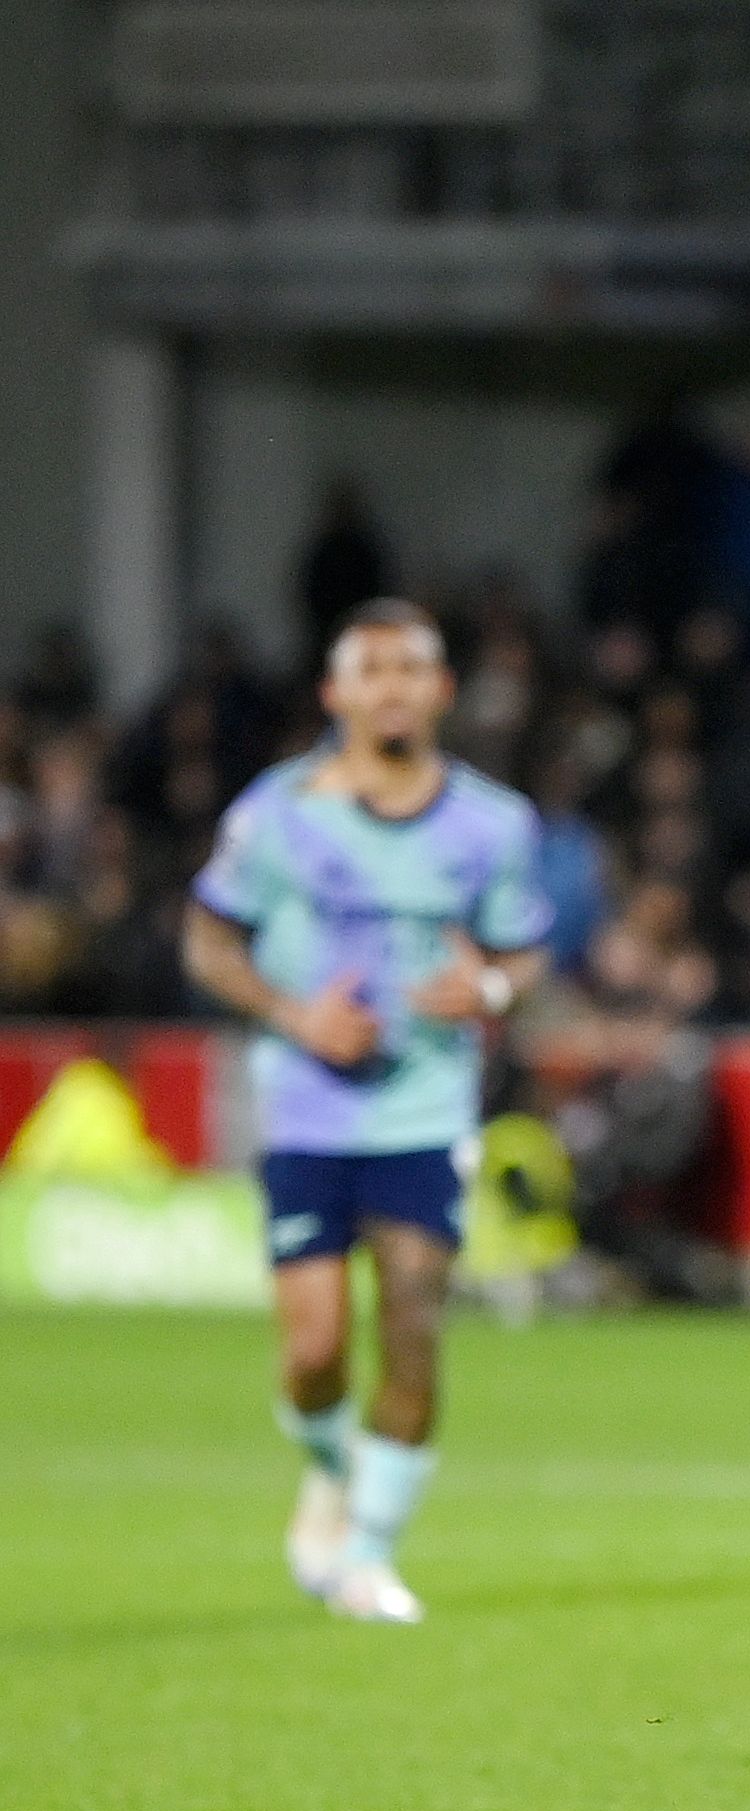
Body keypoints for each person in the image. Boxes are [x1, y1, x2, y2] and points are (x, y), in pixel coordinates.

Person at [181, 598, 553, 1625]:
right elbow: (209, 942)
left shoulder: (493, 823)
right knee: (312, 1352)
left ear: (440, 690)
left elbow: (523, 949)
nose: (391, 686)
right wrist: (294, 1014)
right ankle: (327, 1466)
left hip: (425, 1112)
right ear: (335, 693)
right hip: (306, 1109)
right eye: (371, 669)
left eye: (410, 669)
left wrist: (487, 994)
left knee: (415, 1319)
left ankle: (369, 1556)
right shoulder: (277, 813)